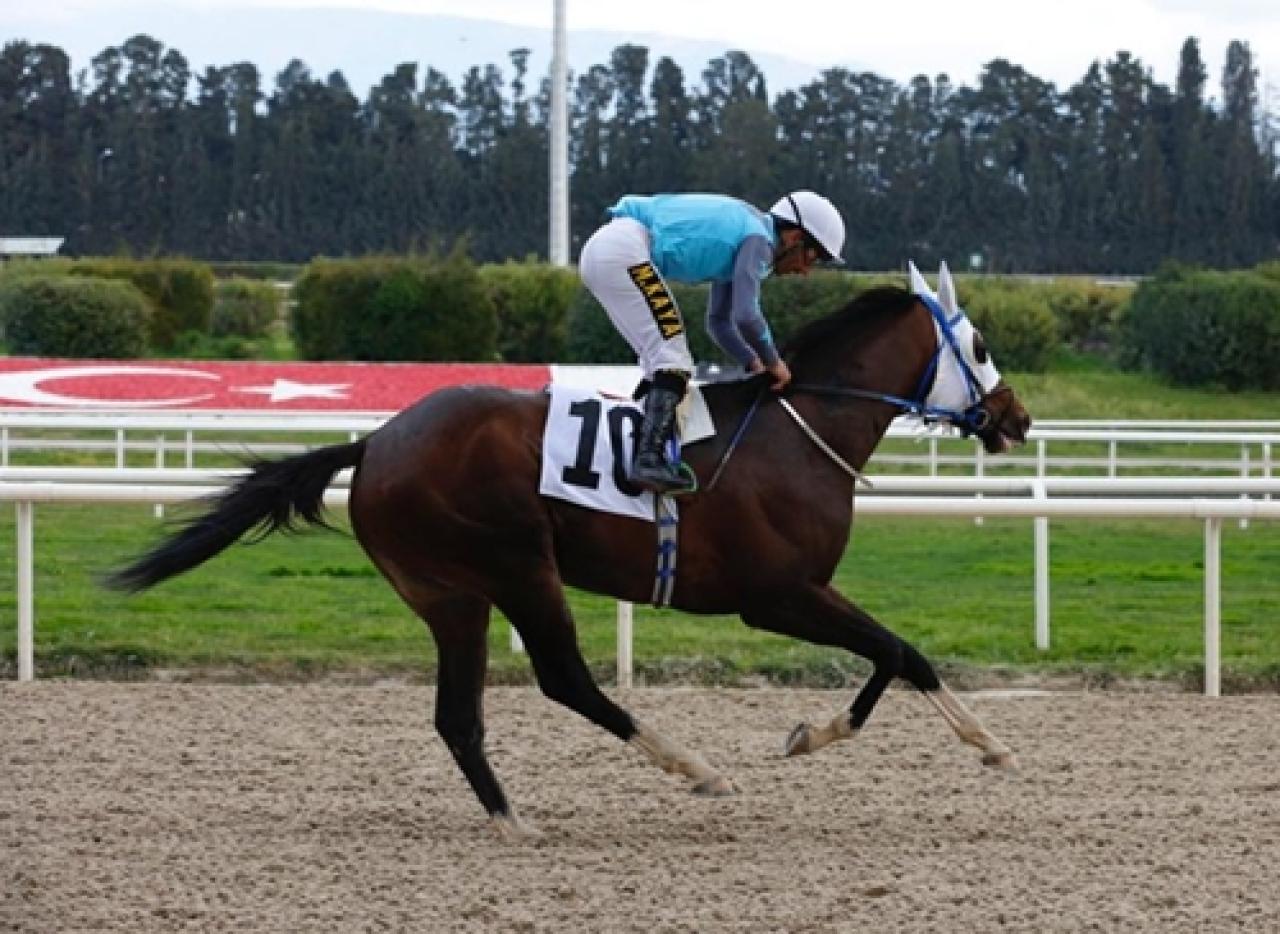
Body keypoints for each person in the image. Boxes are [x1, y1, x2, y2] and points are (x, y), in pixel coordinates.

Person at [578, 190, 846, 495]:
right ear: (794, 237)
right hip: (624, 249)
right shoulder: (759, 241)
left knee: (662, 361)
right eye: (811, 257)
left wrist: (752, 362)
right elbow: (746, 316)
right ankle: (647, 460)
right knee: (673, 360)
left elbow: (718, 323)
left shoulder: (748, 232)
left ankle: (636, 449)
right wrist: (774, 362)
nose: (805, 271)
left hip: (611, 248)